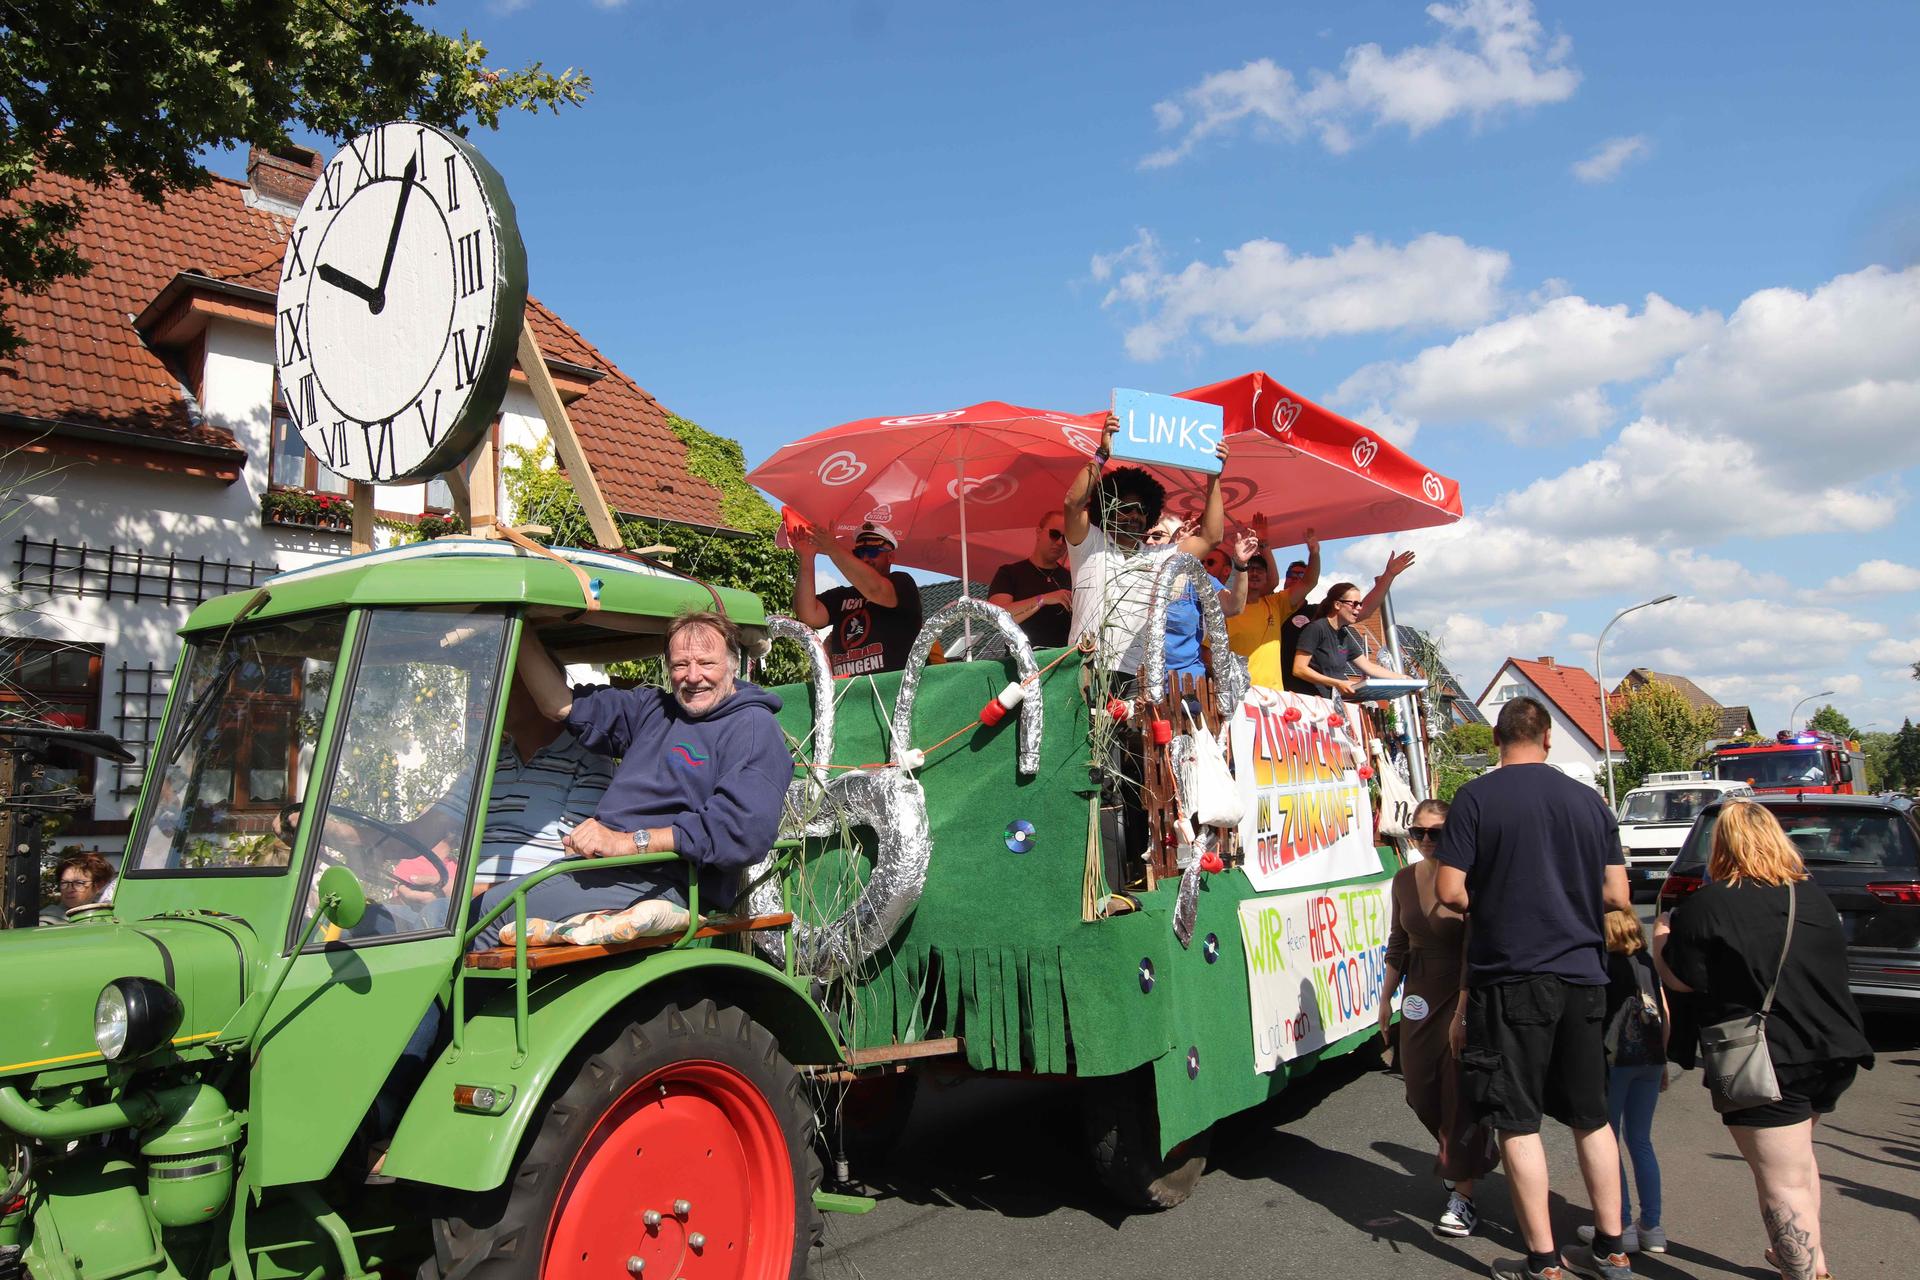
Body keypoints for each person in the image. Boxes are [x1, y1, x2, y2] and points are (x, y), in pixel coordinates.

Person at [1436, 696, 1636, 1280]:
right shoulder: (1589, 802)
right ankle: (1612, 1246)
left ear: (1498, 739)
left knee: (1519, 1121)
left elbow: (1450, 891)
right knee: (1590, 1117)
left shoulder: (1476, 798)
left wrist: (1497, 903)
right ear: (1547, 739)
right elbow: (1619, 896)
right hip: (1583, 975)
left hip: (1511, 978)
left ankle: (1544, 1262)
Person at [471, 611, 794, 949]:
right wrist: (517, 621)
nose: (693, 676)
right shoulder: (654, 708)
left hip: (664, 880)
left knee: (491, 913)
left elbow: (741, 830)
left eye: (706, 663)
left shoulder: (753, 727)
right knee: (456, 912)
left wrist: (627, 843)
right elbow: (559, 705)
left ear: (731, 664)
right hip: (607, 872)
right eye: (681, 665)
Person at [1652, 802, 1873, 1280]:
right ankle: (1812, 1264)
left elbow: (1685, 982)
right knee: (1796, 1163)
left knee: (1781, 1180)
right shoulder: (1809, 897)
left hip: (1767, 1060)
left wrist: (1659, 945)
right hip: (1832, 1050)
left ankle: (1803, 1270)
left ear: (1722, 847)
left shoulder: (1708, 905)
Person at [1378, 799, 1498, 1238]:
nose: (1427, 841)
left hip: (1461, 990)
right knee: (1419, 1090)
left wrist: (1464, 1010)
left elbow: (1476, 947)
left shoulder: (1470, 879)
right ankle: (1467, 1149)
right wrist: (1386, 997)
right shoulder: (1404, 879)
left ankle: (1462, 1195)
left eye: (1437, 833)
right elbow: (1398, 941)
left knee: (1454, 1093)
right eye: (1418, 832)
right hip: (1419, 995)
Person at [1061, 414, 1227, 678]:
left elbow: (1211, 538)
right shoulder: (1089, 543)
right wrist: (1102, 454)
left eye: (1141, 510)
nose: (1134, 516)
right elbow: (1073, 503)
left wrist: (1213, 477)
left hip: (1135, 675)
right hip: (1083, 668)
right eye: (1126, 508)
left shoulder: (1160, 556)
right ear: (1108, 510)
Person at [1574, 910, 1670, 1257]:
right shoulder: (1644, 960)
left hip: (1615, 1062)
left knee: (1607, 1140)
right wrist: (1662, 1061)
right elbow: (1663, 1011)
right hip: (1650, 1056)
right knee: (1641, 1140)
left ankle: (1621, 1222)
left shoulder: (1602, 964)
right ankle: (1653, 1226)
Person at [791, 519, 924, 678]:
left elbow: (875, 589)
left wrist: (833, 548)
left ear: (891, 557)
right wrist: (806, 558)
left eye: (873, 552)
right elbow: (808, 615)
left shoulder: (902, 583)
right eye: (860, 553)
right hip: (848, 695)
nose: (866, 558)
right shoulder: (841, 596)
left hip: (892, 694)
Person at [1144, 516, 1259, 678]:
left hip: (1185, 680)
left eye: (1157, 536)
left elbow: (1234, 607)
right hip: (1139, 679)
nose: (1148, 541)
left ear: (1175, 540)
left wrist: (1240, 565)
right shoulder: (1135, 574)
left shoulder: (1195, 577)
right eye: (1144, 537)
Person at [1290, 580, 1405, 698]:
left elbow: (1369, 667)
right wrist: (1338, 683)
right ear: (1337, 605)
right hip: (1312, 704)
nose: (1359, 608)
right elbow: (1299, 669)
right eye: (1355, 604)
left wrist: (1403, 678)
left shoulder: (1344, 635)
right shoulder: (1316, 629)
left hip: (1332, 702)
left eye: (1360, 604)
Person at [987, 510, 1074, 647]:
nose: (1059, 542)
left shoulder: (1072, 578)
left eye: (1065, 538)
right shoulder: (1009, 573)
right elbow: (996, 617)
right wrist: (1042, 599)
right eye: (1054, 534)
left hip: (1064, 661)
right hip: (1022, 662)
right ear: (1039, 532)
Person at [41, 851, 113, 924]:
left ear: (98, 885)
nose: (69, 889)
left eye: (78, 883)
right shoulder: (46, 923)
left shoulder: (106, 917)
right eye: (64, 883)